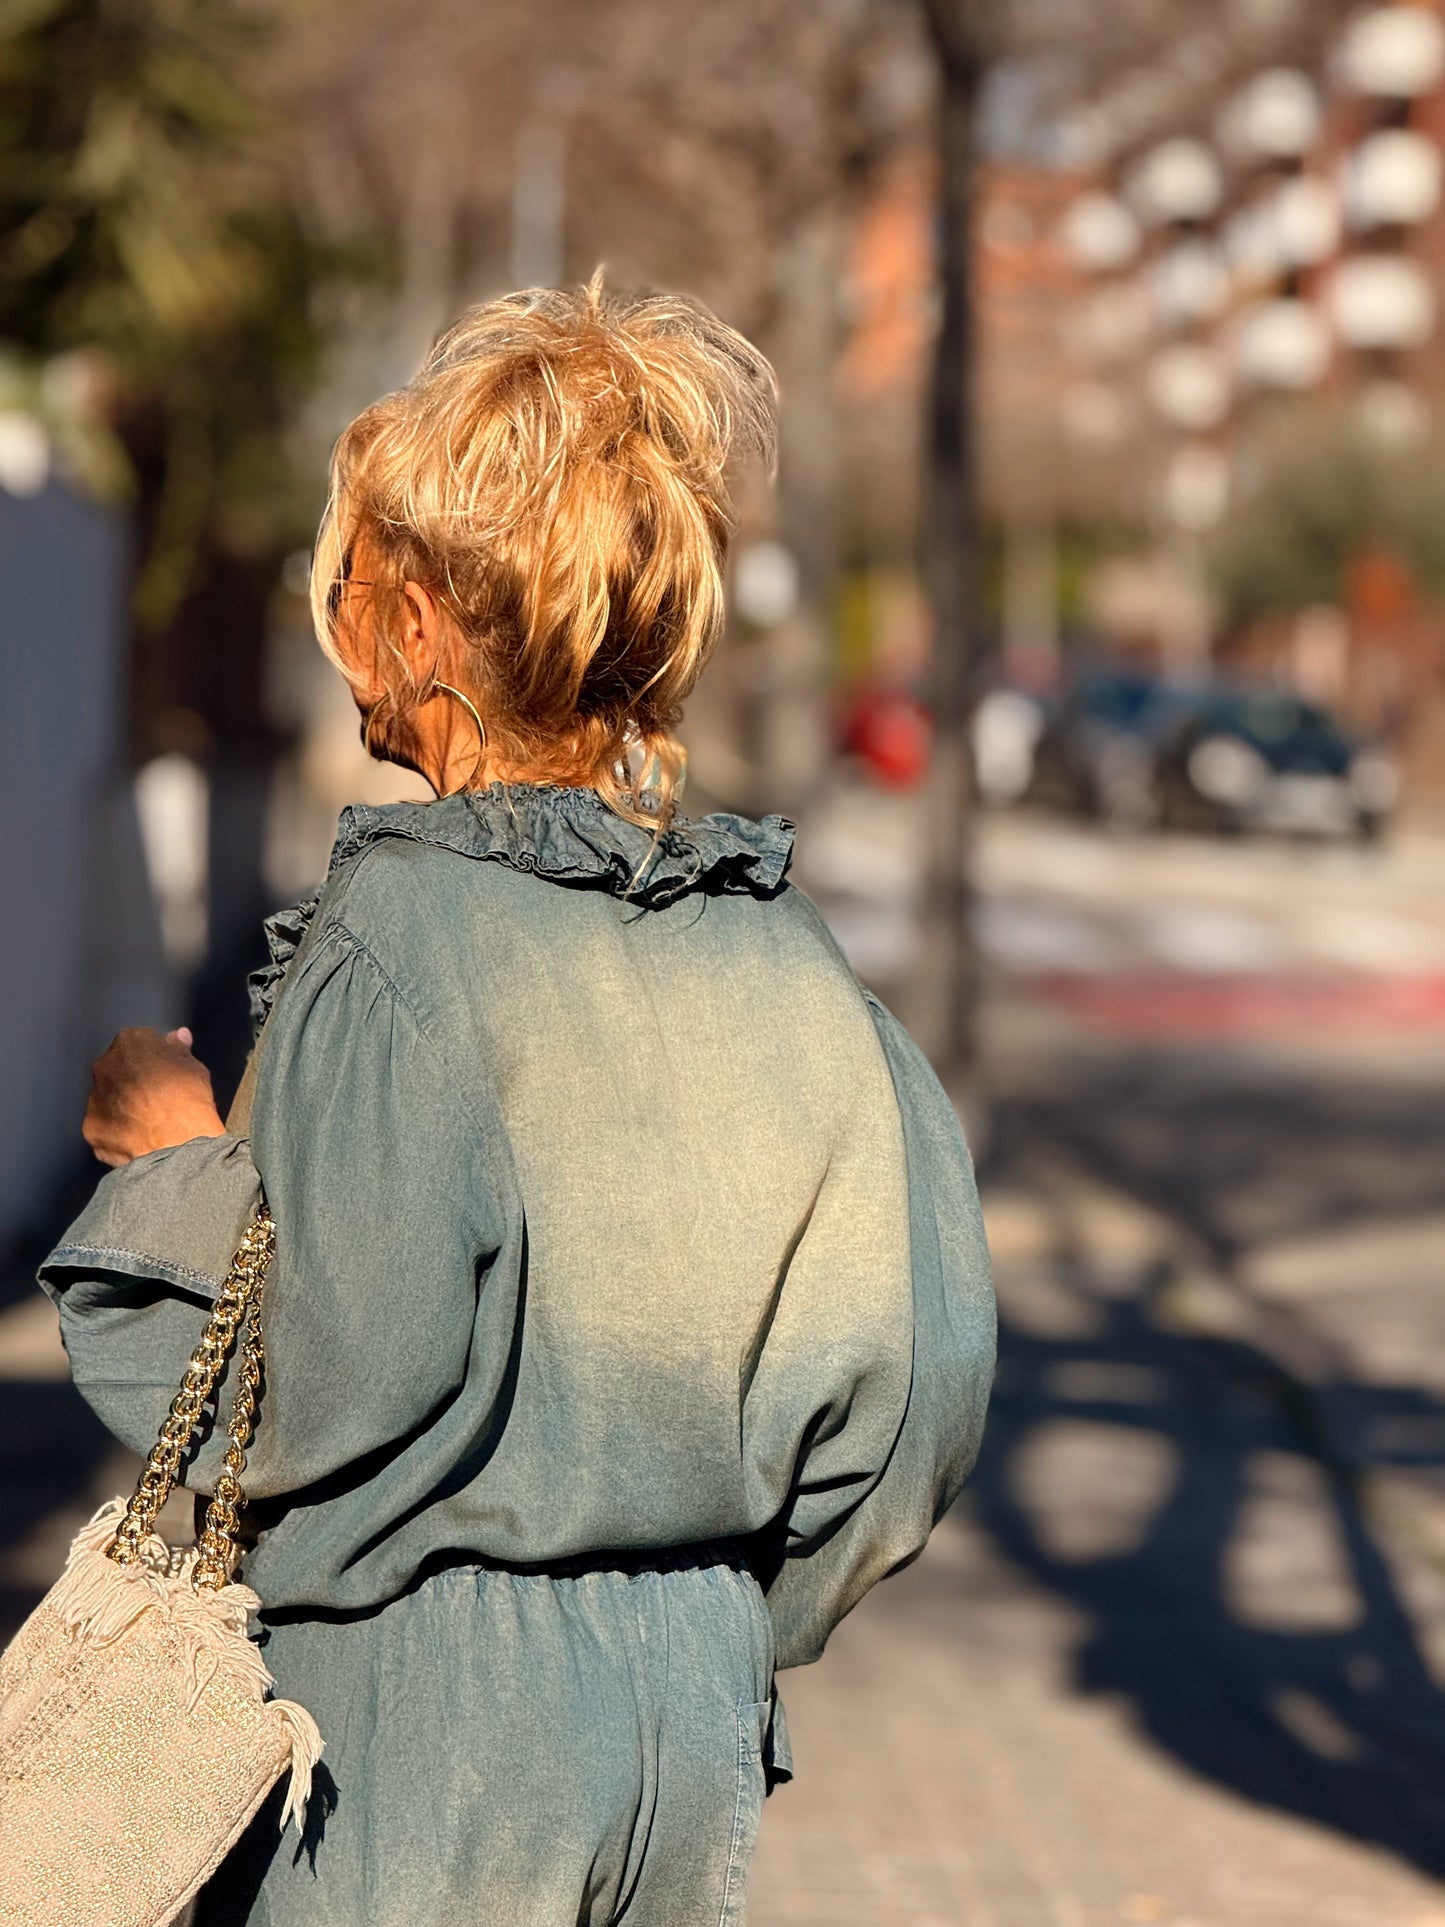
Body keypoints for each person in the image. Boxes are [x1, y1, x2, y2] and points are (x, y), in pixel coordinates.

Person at [39, 277, 996, 1927]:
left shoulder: (403, 945)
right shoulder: (782, 953)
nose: (327, 619)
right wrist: (704, 1623)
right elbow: (923, 1389)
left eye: (342, 583)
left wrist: (169, 1163)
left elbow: (311, 1388)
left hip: (412, 1730)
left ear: (417, 623)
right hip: (689, 1720)